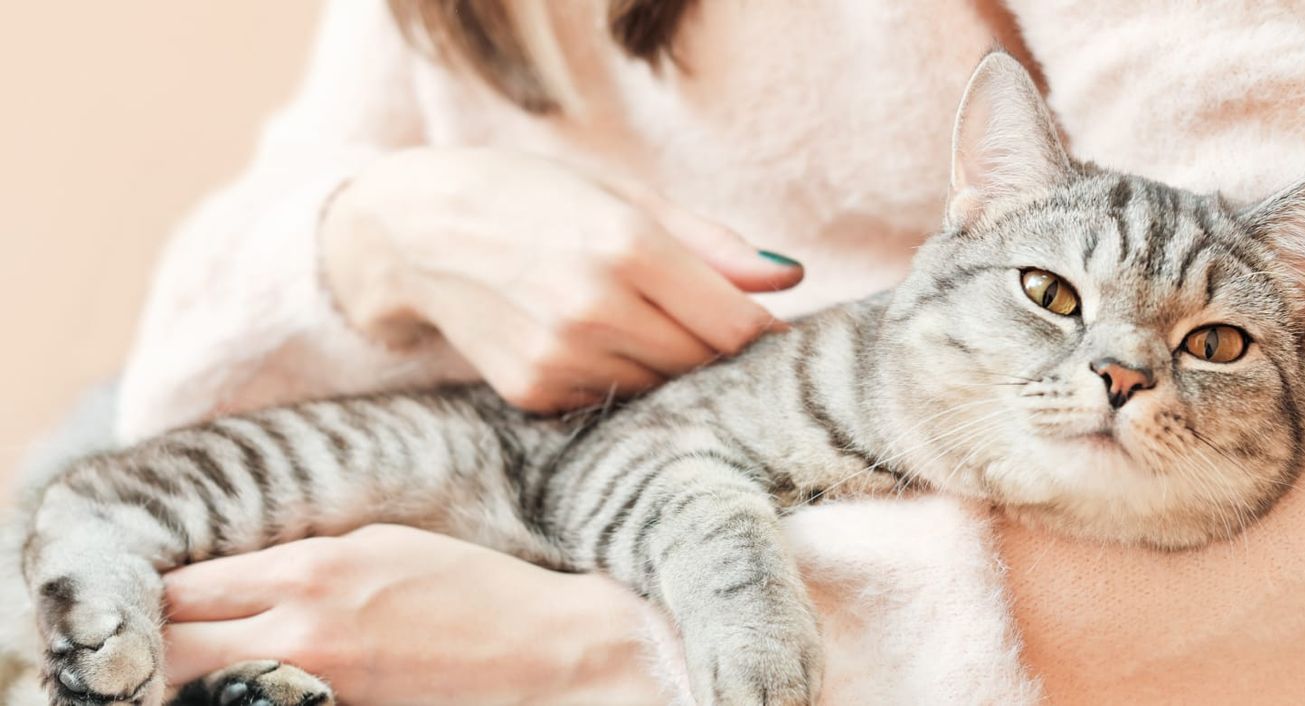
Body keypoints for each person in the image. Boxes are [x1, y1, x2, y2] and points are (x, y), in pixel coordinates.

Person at [115, 1, 1024, 702]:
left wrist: (594, 653)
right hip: (428, 516)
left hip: (862, 604)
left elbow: (1167, 572)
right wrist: (388, 237)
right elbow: (171, 387)